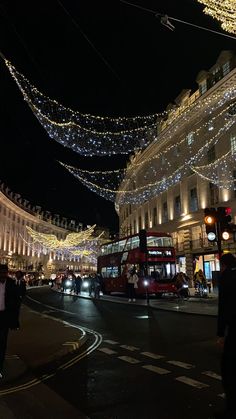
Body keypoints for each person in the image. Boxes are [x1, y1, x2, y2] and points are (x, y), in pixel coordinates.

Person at [216, 253, 236, 419]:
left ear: (223, 265)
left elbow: (223, 307)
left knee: (228, 369)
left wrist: (220, 333)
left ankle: (231, 409)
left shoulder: (226, 278)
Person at [0, 264, 21, 378]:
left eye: (4, 273)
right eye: (1, 273)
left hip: (5, 317)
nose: (3, 275)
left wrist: (15, 321)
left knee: (2, 343)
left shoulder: (11, 284)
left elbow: (16, 304)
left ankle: (0, 366)